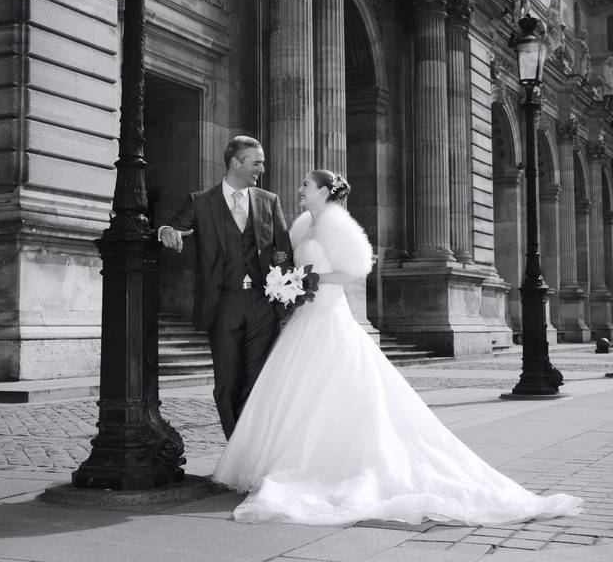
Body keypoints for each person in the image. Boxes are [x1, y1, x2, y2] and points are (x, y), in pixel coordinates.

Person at [212, 170, 583, 526]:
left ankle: (326, 463)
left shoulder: (336, 223)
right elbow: (290, 261)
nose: (300, 189)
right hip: (303, 318)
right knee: (292, 390)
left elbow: (357, 268)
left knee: (329, 389)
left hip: (327, 315)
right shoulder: (302, 224)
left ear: (324, 191)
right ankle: (280, 462)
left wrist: (313, 278)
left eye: (306, 185)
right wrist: (288, 277)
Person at [158, 135, 292, 439]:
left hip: (262, 304)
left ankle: (252, 447)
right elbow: (172, 226)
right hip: (223, 304)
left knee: (258, 379)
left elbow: (284, 251)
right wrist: (166, 232)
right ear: (236, 162)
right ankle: (236, 447)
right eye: (256, 162)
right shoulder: (200, 202)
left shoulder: (269, 201)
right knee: (228, 382)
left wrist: (284, 297)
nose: (262, 168)